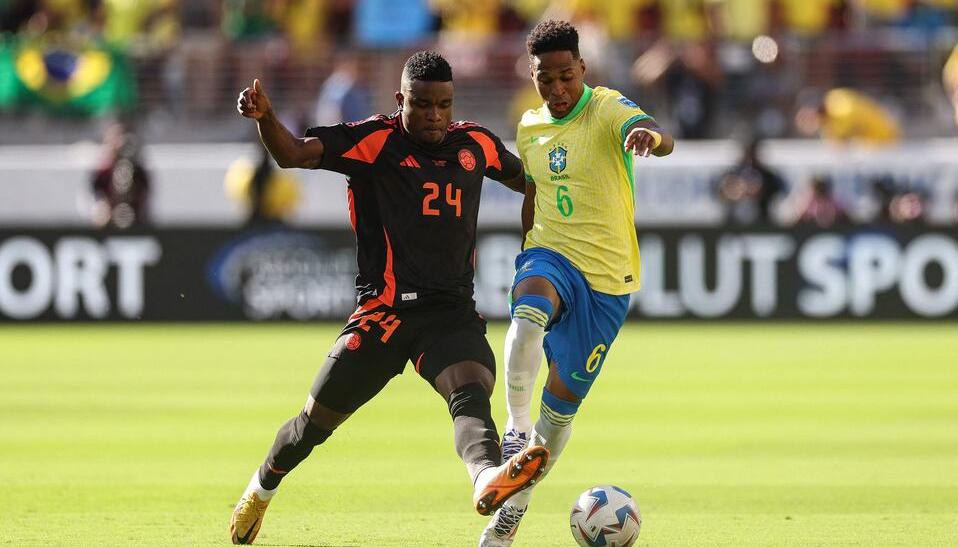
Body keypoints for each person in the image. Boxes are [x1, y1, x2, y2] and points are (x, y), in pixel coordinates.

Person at [229, 51, 550, 545]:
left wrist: (539, 235)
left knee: (470, 392)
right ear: (401, 99)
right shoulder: (373, 140)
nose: (435, 116)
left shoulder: (476, 143)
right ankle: (261, 489)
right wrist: (266, 117)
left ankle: (487, 476)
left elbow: (530, 182)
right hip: (384, 314)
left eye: (444, 105)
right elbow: (291, 154)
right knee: (312, 426)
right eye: (422, 105)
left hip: (449, 313)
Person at [480, 20, 675, 547]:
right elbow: (533, 192)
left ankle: (510, 517)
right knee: (526, 319)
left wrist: (649, 137)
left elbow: (661, 134)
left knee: (557, 422)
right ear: (533, 75)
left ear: (582, 70)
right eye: (546, 79)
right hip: (550, 254)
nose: (558, 89)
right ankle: (513, 431)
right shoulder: (529, 126)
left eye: (567, 76)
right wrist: (528, 253)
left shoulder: (607, 107)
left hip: (607, 283)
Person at [715, 138, 786, 226]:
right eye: (747, 153)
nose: (750, 159)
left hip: (761, 224)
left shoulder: (768, 176)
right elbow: (718, 192)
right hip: (733, 225)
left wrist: (762, 192)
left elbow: (779, 191)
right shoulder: (731, 175)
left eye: (752, 153)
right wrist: (733, 192)